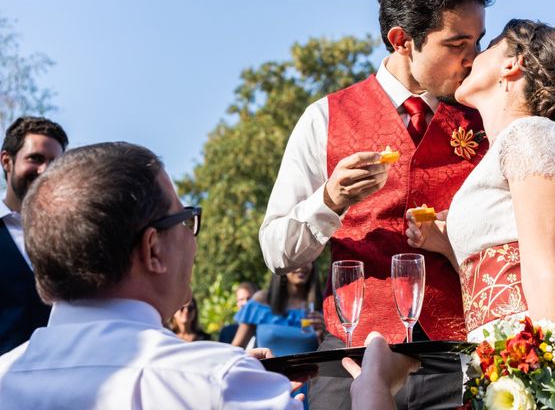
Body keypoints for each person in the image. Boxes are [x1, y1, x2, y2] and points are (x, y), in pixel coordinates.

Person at [259, 0, 555, 409]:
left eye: (479, 41)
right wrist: (329, 200)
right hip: (350, 358)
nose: (471, 58)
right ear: (402, 40)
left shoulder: (498, 117)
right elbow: (276, 250)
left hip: (467, 359)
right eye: (456, 43)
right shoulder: (324, 119)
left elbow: (538, 224)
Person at [0, 142, 418, 409]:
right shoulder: (220, 385)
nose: (192, 237)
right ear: (152, 249)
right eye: (186, 218)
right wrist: (373, 392)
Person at [407, 19, 555, 408]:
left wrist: (546, 380)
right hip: (500, 348)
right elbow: (505, 253)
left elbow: (546, 267)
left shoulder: (531, 133)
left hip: (534, 347)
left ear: (511, 65)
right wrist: (447, 245)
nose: (471, 58)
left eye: (486, 46)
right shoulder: (509, 145)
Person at [0, 116, 68, 355]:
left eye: (55, 163)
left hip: (64, 383)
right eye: (35, 159)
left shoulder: (74, 240)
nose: (46, 171)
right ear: (7, 161)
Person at [232, 263, 324, 355]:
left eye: (307, 259)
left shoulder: (324, 305)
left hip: (311, 369)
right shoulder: (261, 301)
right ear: (281, 263)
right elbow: (235, 350)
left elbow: (332, 353)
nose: (301, 266)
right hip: (266, 369)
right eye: (296, 260)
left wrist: (326, 333)